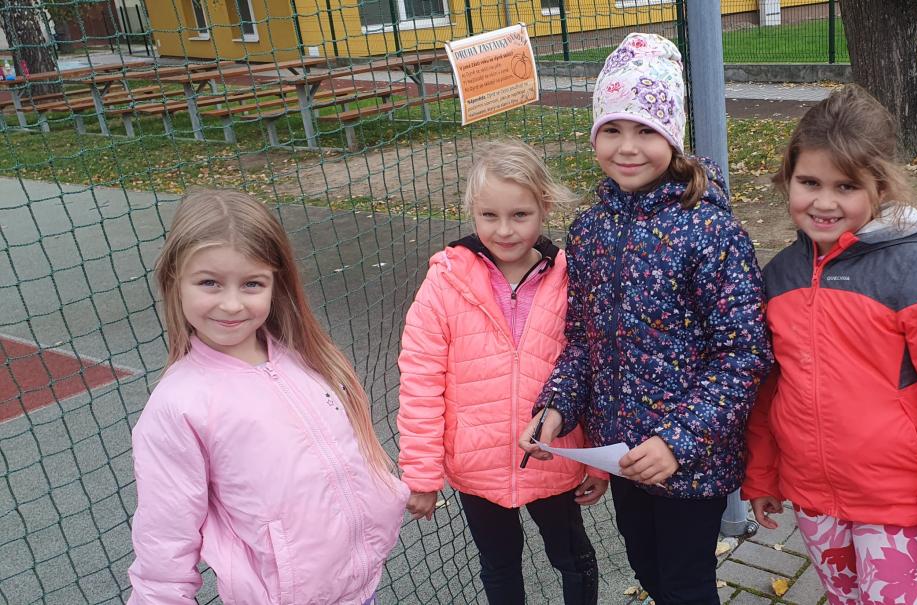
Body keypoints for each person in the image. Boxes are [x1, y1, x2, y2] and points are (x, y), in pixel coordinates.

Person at [517, 33, 772, 604]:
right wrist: (555, 408)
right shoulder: (590, 231)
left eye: (646, 131)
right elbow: (582, 340)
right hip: (622, 455)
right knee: (650, 573)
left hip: (691, 460)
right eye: (612, 129)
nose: (627, 148)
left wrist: (677, 441)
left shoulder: (709, 230)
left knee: (685, 586)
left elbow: (743, 355)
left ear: (672, 137)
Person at [742, 84, 917, 605]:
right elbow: (768, 388)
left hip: (900, 503)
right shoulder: (781, 274)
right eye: (809, 182)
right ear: (788, 178)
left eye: (846, 186)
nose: (824, 202)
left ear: (880, 187)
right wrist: (763, 475)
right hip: (816, 498)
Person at [128, 190, 408, 604]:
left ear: (275, 284)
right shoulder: (179, 405)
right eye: (209, 282)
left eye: (252, 284)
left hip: (358, 587)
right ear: (175, 281)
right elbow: (163, 546)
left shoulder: (304, 358)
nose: (231, 304)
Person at [398, 140, 605, 605]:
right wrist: (421, 474)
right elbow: (420, 381)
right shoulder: (445, 281)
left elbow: (591, 371)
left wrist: (596, 460)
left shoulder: (570, 278)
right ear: (472, 211)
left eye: (520, 215)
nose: (505, 230)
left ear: (544, 207)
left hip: (554, 457)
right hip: (478, 463)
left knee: (573, 558)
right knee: (499, 565)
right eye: (489, 215)